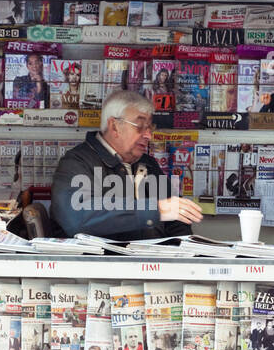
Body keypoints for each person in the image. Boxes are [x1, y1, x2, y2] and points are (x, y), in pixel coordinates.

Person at [50, 89, 202, 241]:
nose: (148, 135)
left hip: (152, 261)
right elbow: (77, 218)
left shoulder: (148, 164)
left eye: (150, 127)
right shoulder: (76, 163)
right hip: (103, 262)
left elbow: (177, 221)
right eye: (140, 126)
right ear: (114, 126)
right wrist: (155, 210)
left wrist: (181, 252)